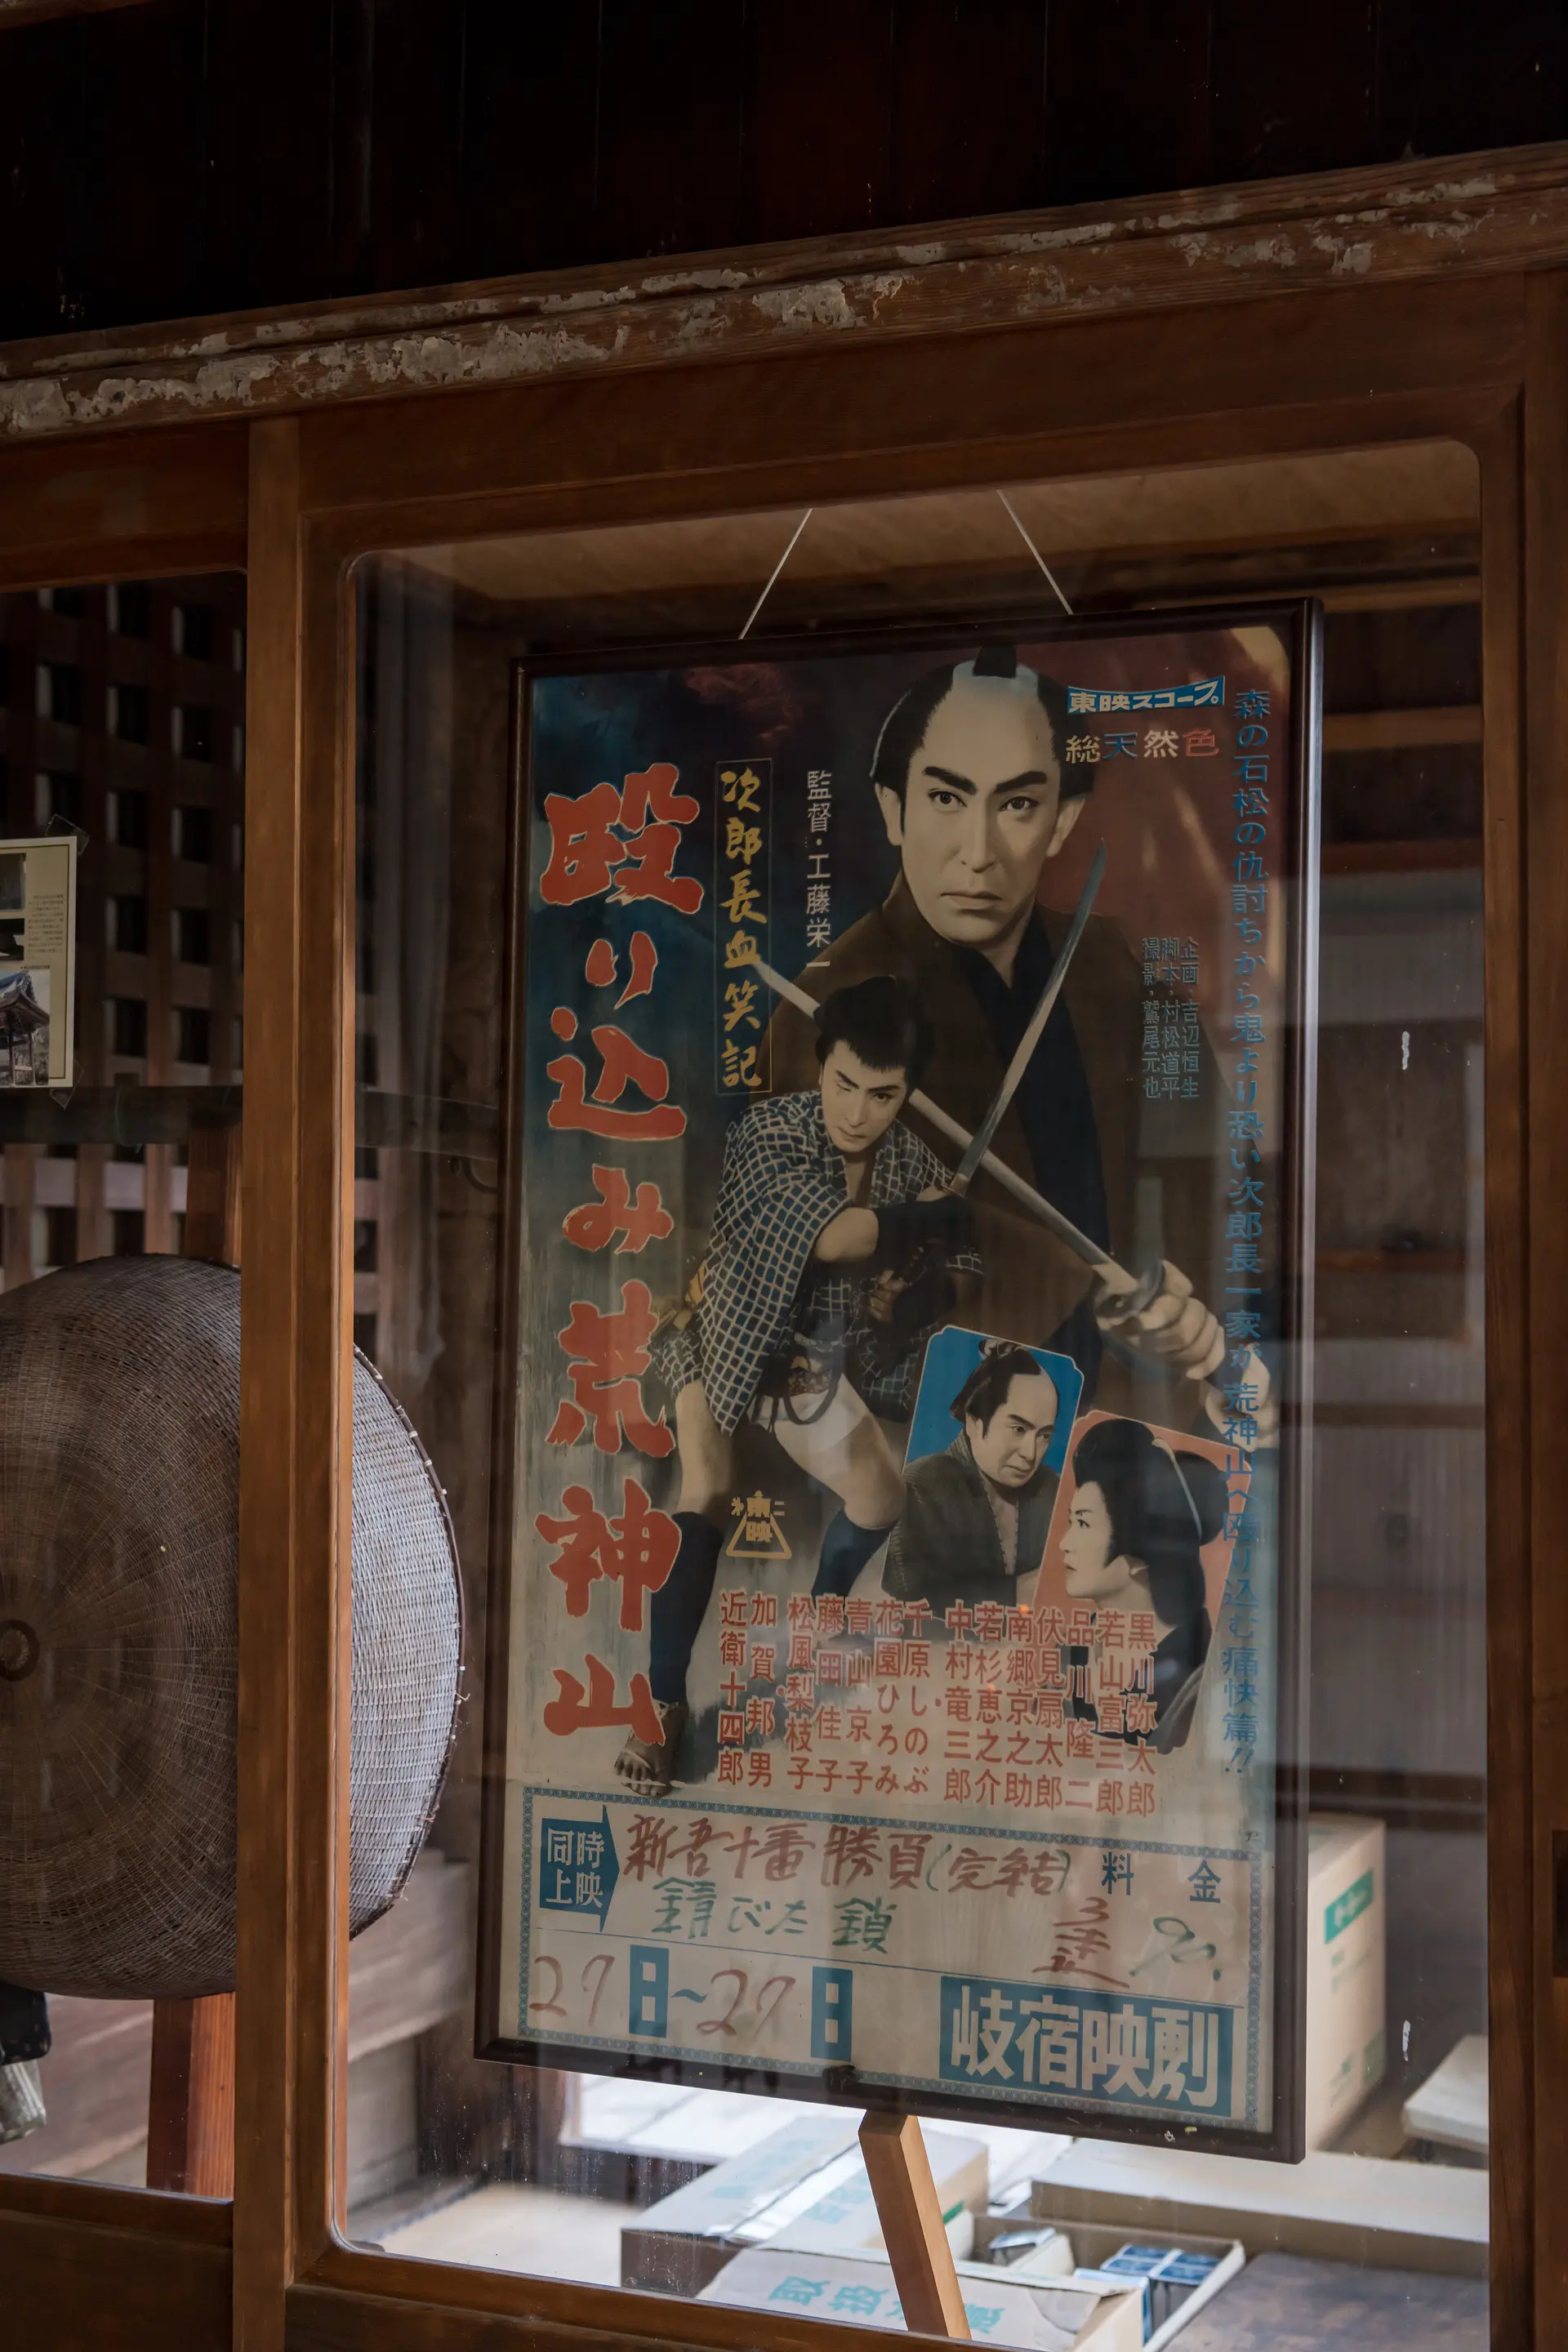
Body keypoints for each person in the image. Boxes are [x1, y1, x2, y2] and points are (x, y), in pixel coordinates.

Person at [764, 644, 1266, 1435]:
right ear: (894, 809)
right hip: (954, 1424)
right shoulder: (827, 1007)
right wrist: (1092, 1293)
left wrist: (1218, 1333)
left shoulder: (1113, 964)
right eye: (945, 798)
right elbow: (821, 1259)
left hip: (1142, 1421)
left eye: (1019, 805)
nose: (978, 852)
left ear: (1062, 819)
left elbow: (1220, 1178)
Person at [618, 975, 980, 1793]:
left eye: (882, 1096)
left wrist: (920, 1291)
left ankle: (820, 1621)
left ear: (907, 1094)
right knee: (707, 1484)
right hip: (718, 1336)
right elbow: (840, 1239)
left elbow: (964, 1262)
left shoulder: (907, 1158)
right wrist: (929, 1218)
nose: (857, 1112)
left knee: (882, 1499)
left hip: (803, 1368)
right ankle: (662, 1707)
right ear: (823, 1067)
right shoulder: (768, 1131)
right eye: (843, 1084)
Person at [1057, 1414, 1227, 1748]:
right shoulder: (1069, 1654)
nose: (1064, 1543)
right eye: (1071, 1521)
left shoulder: (1201, 1674)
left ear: (1141, 1552)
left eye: (1084, 1524)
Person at [884, 1342, 1059, 1615]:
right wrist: (1014, 1592)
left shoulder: (1052, 1488)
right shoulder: (920, 1485)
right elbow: (904, 1602)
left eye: (1044, 1435)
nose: (1031, 1453)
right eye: (1018, 1429)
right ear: (974, 1422)